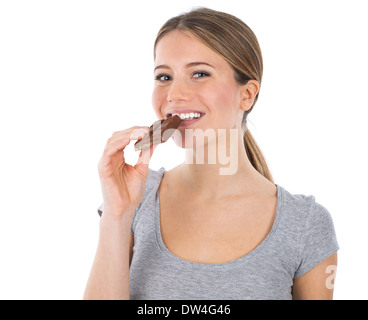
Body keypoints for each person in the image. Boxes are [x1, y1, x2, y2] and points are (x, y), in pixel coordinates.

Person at [84, 7, 339, 300]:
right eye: (164, 77)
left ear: (247, 94)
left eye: (199, 73)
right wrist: (117, 215)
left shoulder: (305, 224)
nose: (174, 94)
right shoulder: (135, 201)